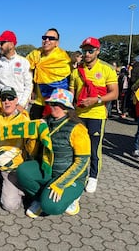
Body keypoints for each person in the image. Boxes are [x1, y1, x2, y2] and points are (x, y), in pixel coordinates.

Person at [17, 88, 90, 218]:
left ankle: (72, 198)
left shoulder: (78, 129)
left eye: (58, 104)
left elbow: (82, 162)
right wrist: (34, 136)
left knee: (50, 206)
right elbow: (33, 153)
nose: (53, 106)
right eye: (52, 103)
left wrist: (60, 184)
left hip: (71, 177)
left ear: (67, 107)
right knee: (23, 171)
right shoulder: (46, 121)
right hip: (49, 169)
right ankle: (40, 198)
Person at [69, 37, 118, 193]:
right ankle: (77, 174)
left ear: (98, 51)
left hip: (97, 115)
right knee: (75, 146)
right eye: (85, 50)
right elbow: (71, 95)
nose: (87, 54)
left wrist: (96, 100)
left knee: (94, 148)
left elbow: (115, 94)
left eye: (91, 50)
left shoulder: (106, 69)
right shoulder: (76, 71)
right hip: (78, 115)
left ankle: (93, 176)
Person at [26, 28, 71, 119]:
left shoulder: (62, 58)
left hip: (56, 103)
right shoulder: (35, 55)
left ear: (57, 43)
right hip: (38, 103)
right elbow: (24, 69)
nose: (46, 40)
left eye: (51, 38)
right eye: (44, 37)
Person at [0, 30, 32, 113]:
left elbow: (28, 86)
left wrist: (21, 104)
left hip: (19, 109)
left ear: (11, 44)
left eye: (2, 43)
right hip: (1, 108)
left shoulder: (24, 62)